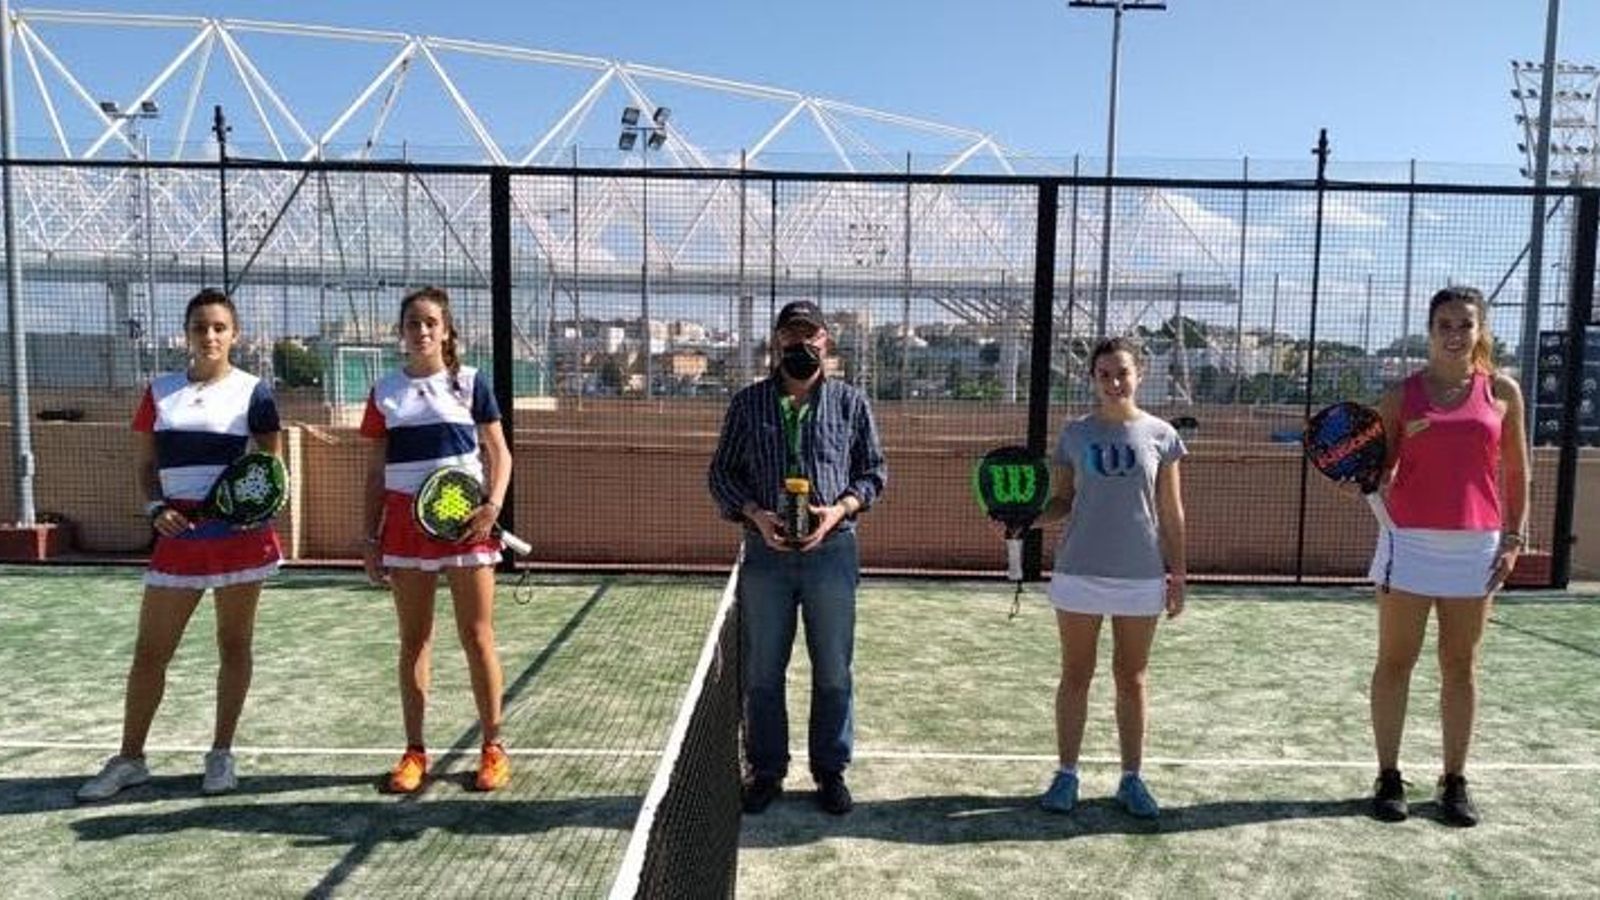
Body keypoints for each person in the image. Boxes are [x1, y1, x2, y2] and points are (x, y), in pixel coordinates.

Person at [78, 288, 283, 802]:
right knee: (150, 653)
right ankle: (130, 759)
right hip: (178, 539)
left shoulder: (254, 392)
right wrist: (155, 508)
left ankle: (220, 754)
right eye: (199, 327)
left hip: (238, 540)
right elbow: (147, 467)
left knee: (234, 647)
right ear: (186, 334)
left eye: (219, 327)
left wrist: (246, 513)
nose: (209, 336)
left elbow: (271, 470)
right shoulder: (160, 391)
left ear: (234, 335)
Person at [707, 299, 887, 816]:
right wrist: (755, 516)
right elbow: (720, 473)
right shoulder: (748, 405)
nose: (802, 346)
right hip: (766, 556)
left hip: (833, 553)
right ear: (777, 343)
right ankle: (766, 771)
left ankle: (830, 771)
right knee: (764, 670)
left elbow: (874, 472)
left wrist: (840, 511)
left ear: (827, 342)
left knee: (833, 669)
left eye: (812, 337)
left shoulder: (852, 404)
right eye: (792, 336)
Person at [1365, 285, 1529, 827]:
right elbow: (1380, 470)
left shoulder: (1503, 391)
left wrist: (1513, 538)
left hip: (1476, 547)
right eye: (1445, 325)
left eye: (1466, 324)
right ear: (1430, 330)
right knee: (1395, 662)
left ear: (1480, 330)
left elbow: (1516, 472)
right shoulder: (1400, 397)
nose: (1455, 334)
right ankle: (1388, 776)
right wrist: (1362, 477)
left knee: (1460, 667)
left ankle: (1454, 781)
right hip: (1406, 544)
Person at [360, 286, 515, 794]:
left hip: (466, 524)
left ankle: (493, 747)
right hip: (405, 528)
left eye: (430, 322)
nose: (421, 330)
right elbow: (375, 470)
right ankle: (414, 752)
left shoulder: (471, 383)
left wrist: (491, 507)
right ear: (401, 332)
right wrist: (370, 537)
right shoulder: (385, 390)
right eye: (412, 323)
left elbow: (500, 454)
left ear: (446, 330)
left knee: (477, 636)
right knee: (414, 642)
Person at [1027, 336, 1186, 819]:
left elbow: (1171, 511)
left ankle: (1131, 778)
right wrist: (1027, 517)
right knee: (1076, 675)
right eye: (1104, 375)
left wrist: (1176, 574)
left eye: (1122, 373)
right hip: (1079, 571)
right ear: (1093, 380)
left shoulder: (1162, 435)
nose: (1114, 382)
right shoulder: (1075, 435)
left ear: (1140, 374)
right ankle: (1067, 774)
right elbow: (1062, 502)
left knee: (1131, 678)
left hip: (1141, 575)